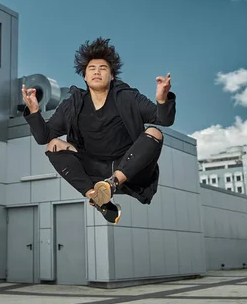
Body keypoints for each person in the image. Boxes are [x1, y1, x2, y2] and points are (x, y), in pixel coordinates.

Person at [21, 37, 175, 224]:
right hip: (94, 169)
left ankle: (111, 184)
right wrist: (35, 112)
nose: (97, 72)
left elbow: (164, 120)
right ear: (84, 76)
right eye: (91, 69)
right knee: (53, 145)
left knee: (155, 132)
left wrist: (162, 99)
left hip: (130, 169)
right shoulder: (72, 105)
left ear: (111, 76)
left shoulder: (128, 98)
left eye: (103, 68)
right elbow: (44, 136)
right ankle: (97, 197)